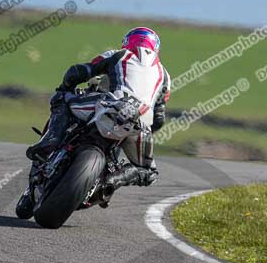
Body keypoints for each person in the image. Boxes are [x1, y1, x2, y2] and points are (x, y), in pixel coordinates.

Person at [17, 27, 170, 212]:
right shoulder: (165, 77)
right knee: (148, 171)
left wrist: (65, 87)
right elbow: (159, 118)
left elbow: (79, 71)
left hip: (110, 104)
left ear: (128, 42)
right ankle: (113, 181)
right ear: (156, 49)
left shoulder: (118, 54)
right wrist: (143, 134)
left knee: (63, 100)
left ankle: (50, 141)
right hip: (140, 123)